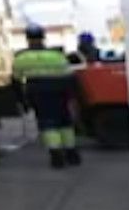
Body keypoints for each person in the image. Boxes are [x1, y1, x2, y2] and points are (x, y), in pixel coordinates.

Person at [13, 23, 82, 169]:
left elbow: (16, 81)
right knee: (65, 122)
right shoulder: (56, 56)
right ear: (43, 37)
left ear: (27, 39)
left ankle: (56, 155)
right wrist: (74, 97)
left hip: (38, 94)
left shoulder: (21, 58)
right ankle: (71, 153)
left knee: (48, 124)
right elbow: (70, 77)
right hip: (60, 92)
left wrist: (21, 101)